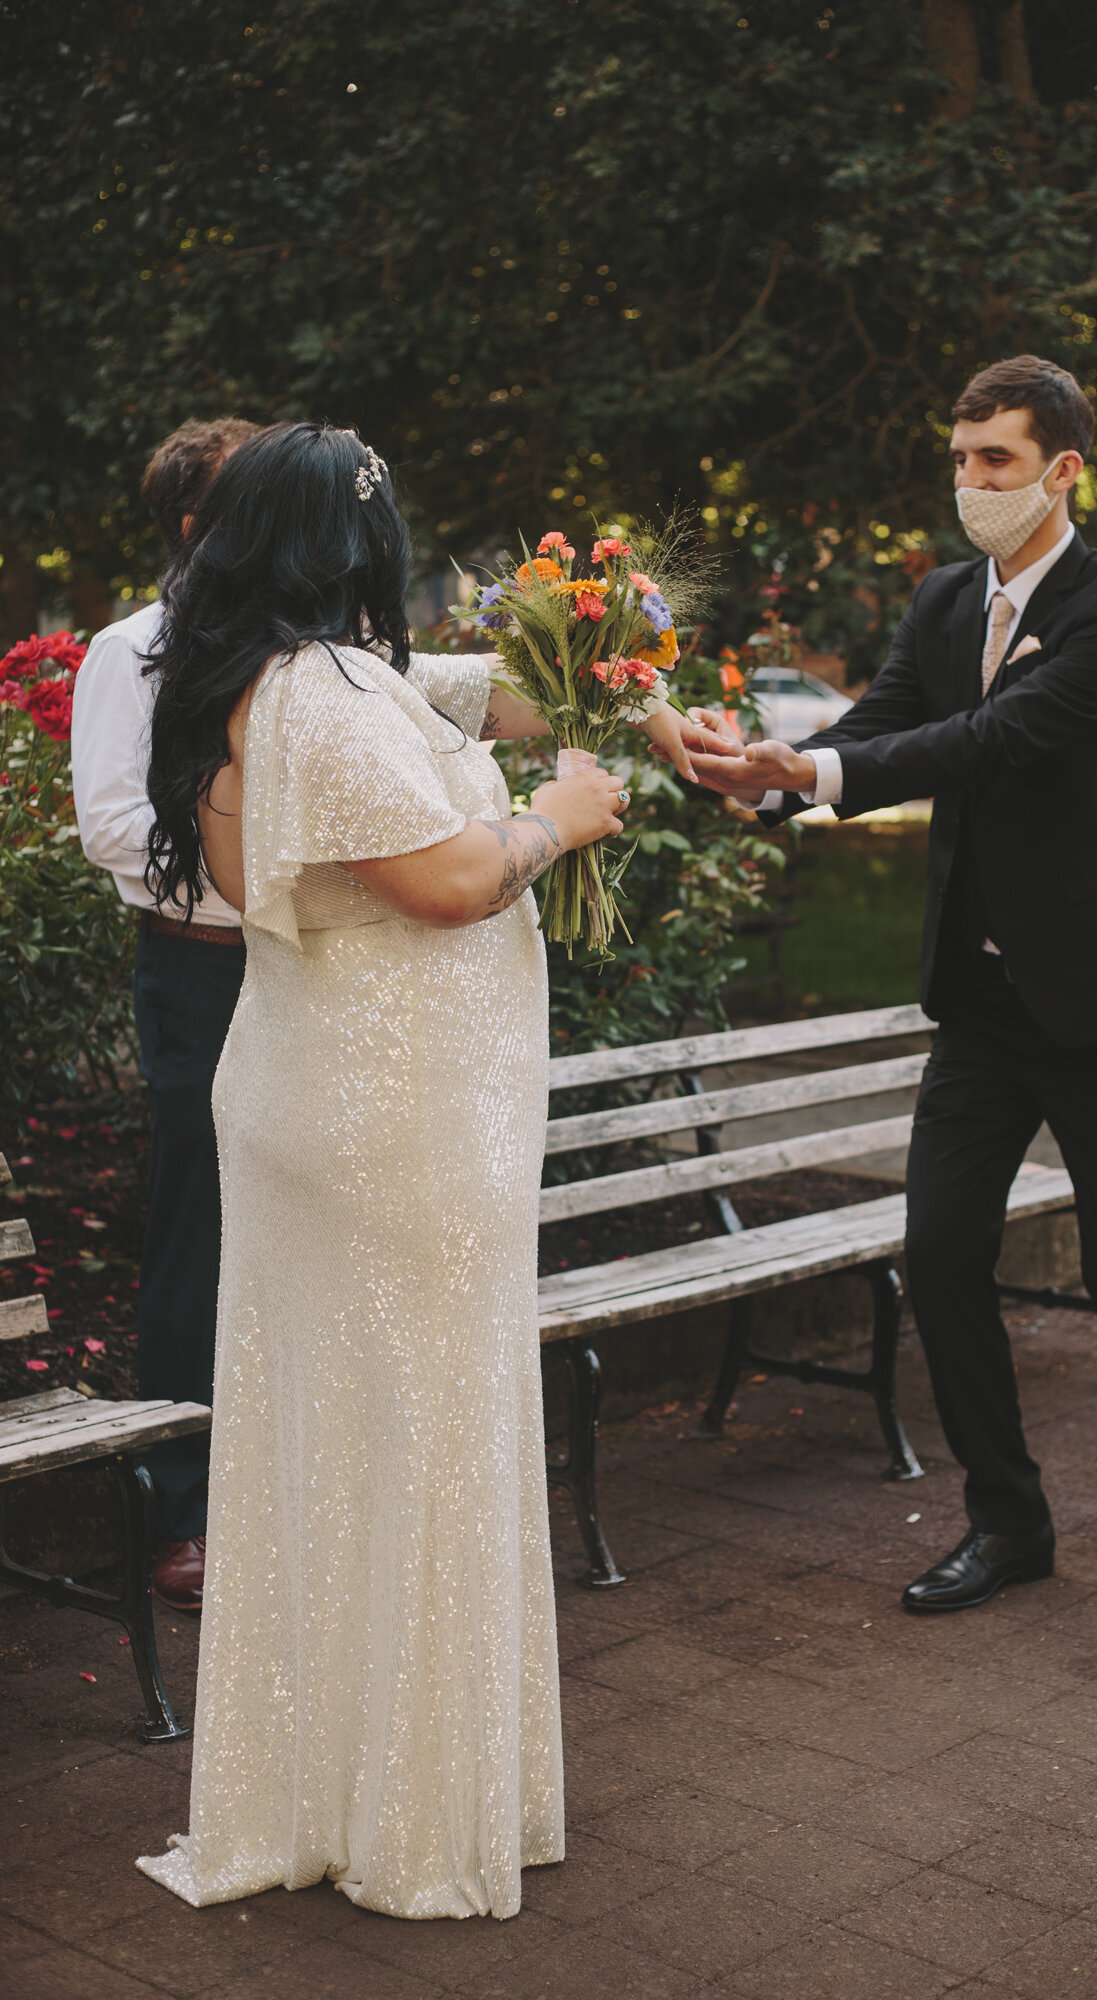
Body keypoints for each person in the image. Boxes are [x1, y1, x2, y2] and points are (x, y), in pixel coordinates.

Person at [133, 420, 703, 1917]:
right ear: (350, 544)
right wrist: (559, 819)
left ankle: (342, 1782)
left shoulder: (275, 678)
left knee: (341, 1446)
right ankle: (407, 1821)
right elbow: (448, 881)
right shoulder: (321, 694)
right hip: (390, 1125)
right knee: (420, 1439)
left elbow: (483, 697)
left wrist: (617, 687)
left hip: (329, 1101)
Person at [689, 355, 1097, 1611]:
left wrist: (814, 776)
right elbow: (874, 726)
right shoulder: (940, 602)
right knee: (939, 1259)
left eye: (997, 459)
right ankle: (1007, 1518)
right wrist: (766, 771)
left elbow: (991, 741)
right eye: (962, 456)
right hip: (980, 1006)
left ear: (1062, 468)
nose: (972, 481)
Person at [71, 417, 259, 1612]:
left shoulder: (311, 649)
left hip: (311, 974)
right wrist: (262, 875)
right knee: (201, 1231)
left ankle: (280, 1489)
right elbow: (112, 827)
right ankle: (180, 1510)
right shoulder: (128, 651)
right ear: (198, 526)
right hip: (199, 972)